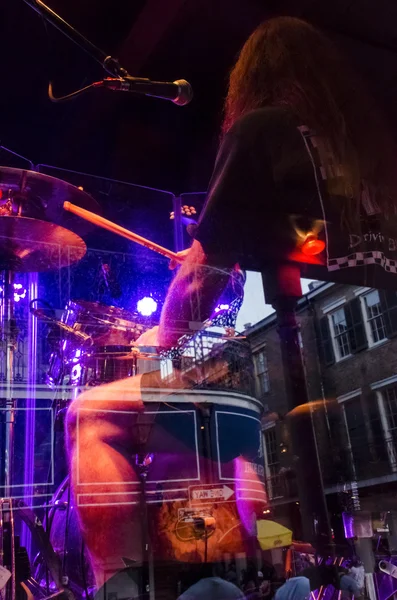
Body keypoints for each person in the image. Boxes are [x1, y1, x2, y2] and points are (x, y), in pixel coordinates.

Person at [66, 15, 397, 595]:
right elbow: (294, 253)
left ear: (253, 80)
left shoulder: (263, 130)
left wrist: (159, 339)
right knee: (235, 446)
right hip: (321, 376)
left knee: (90, 414)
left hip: (291, 372)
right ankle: (279, 572)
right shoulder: (371, 153)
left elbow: (203, 276)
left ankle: (114, 585)